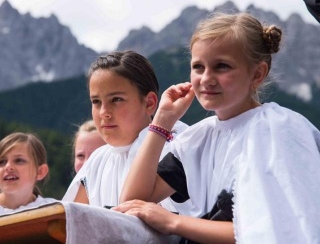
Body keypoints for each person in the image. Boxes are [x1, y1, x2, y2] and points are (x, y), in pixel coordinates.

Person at [116, 12, 320, 243]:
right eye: (198, 67)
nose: (206, 78)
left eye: (222, 66)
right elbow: (132, 202)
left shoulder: (280, 130)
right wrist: (161, 121)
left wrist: (174, 222)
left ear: (257, 74)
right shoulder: (197, 140)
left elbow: (281, 231)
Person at [62, 51, 189, 211]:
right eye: (96, 101)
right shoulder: (97, 161)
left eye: (116, 99)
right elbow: (70, 220)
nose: (104, 112)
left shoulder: (177, 146)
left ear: (149, 103)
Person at [0, 132, 57, 215]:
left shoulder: (54, 212)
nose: (8, 166)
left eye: (19, 160)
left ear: (40, 172)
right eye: (2, 162)